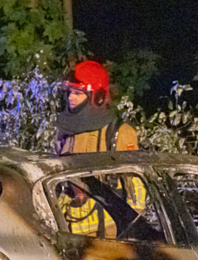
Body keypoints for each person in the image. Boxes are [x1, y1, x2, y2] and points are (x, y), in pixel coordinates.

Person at [54, 60, 145, 238]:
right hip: (70, 227)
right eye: (71, 92)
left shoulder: (118, 133)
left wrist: (129, 233)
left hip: (108, 231)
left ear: (98, 97)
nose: (71, 97)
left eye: (78, 93)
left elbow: (136, 190)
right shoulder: (66, 132)